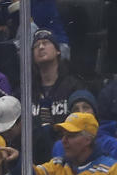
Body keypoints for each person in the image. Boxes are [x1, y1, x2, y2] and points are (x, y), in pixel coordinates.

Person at [30, 29, 84, 161]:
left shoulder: (73, 86)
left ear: (58, 51)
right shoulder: (26, 89)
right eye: (36, 46)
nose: (41, 47)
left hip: (66, 148)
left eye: (46, 43)